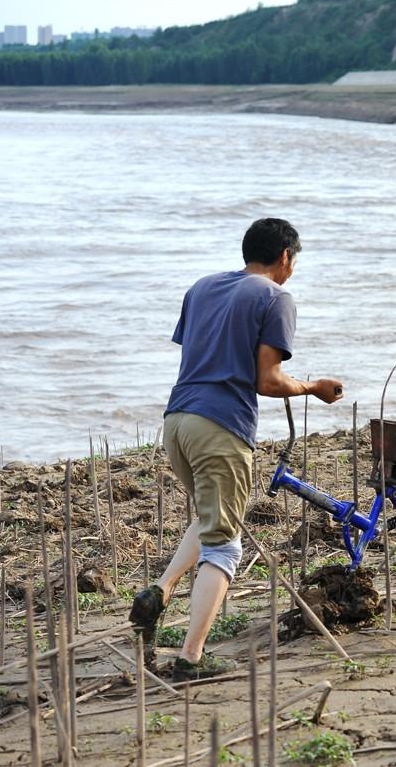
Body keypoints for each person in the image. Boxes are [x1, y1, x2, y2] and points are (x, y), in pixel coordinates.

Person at [129, 218, 344, 680]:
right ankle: (190, 658)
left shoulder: (202, 287)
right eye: (295, 260)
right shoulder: (276, 297)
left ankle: (160, 590)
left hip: (177, 422)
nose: (293, 269)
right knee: (225, 546)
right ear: (285, 256)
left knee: (210, 520)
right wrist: (314, 387)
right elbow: (266, 381)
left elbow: (202, 354)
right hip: (220, 429)